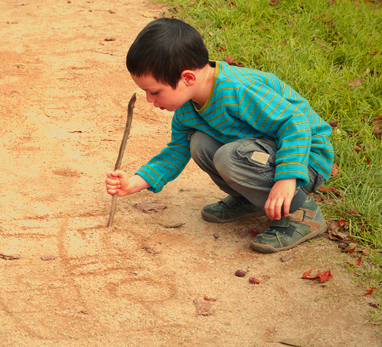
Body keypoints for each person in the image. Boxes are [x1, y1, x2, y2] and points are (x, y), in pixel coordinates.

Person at [105, 18, 334, 253]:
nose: (149, 100)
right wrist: (133, 183)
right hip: (263, 154)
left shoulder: (237, 90)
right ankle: (251, 200)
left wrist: (287, 179)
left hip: (307, 158)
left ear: (187, 78)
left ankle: (303, 214)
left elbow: (295, 123)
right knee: (199, 143)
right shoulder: (187, 108)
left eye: (154, 92)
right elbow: (175, 152)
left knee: (229, 156)